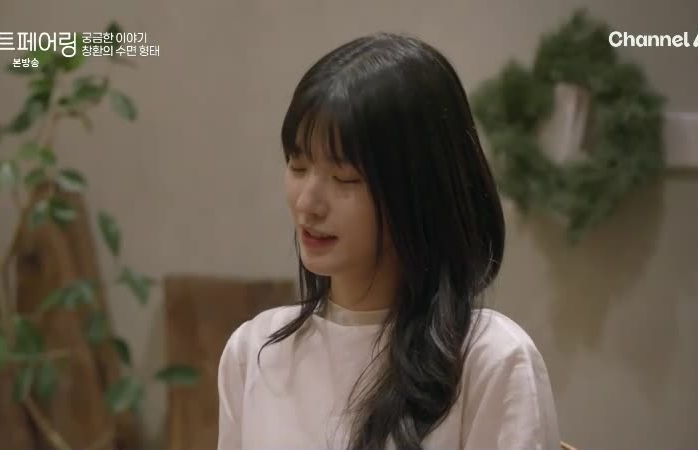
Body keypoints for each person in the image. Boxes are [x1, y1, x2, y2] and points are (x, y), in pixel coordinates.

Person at [217, 32, 561, 450]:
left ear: (418, 189)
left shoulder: (491, 360)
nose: (307, 204)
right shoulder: (253, 351)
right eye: (298, 165)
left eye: (345, 178)